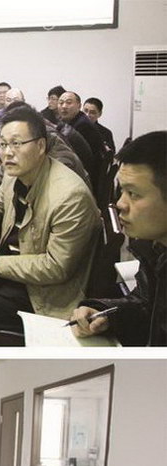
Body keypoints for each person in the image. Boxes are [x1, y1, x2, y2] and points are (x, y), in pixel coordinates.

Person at [0, 105, 99, 345]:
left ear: (41, 146)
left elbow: (56, 268)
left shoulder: (69, 195)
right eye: (3, 144)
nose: (7, 153)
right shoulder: (17, 173)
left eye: (17, 144)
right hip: (17, 262)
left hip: (46, 289)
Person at [71, 131, 167, 346]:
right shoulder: (154, 247)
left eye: (134, 194)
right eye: (122, 191)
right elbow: (146, 304)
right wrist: (105, 314)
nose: (120, 204)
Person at [57, 91, 106, 186]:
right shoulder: (72, 121)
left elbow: (73, 159)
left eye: (68, 102)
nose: (64, 106)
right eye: (61, 103)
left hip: (86, 179)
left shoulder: (82, 125)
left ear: (79, 106)